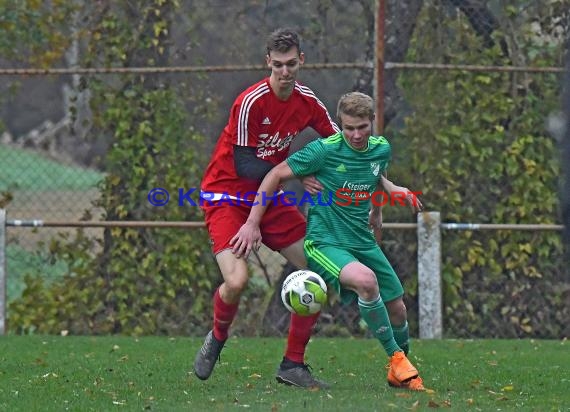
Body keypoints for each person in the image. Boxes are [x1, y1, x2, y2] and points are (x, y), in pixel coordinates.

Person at [195, 27, 416, 389]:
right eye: (278, 64)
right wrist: (296, 176)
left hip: (273, 198)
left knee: (317, 274)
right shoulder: (250, 102)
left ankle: (292, 365)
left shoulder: (307, 101)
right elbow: (244, 166)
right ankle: (218, 337)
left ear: (302, 61)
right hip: (228, 197)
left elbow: (340, 143)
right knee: (236, 280)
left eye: (291, 64)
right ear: (268, 62)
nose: (285, 72)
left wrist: (379, 183)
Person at [230, 92, 426, 391]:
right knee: (366, 281)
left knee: (398, 308)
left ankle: (398, 369)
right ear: (340, 124)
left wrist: (378, 210)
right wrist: (252, 223)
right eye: (349, 128)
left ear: (372, 122)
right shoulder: (323, 150)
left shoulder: (380, 149)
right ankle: (398, 360)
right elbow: (274, 174)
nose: (356, 135)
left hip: (361, 239)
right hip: (325, 241)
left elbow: (376, 175)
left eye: (362, 127)